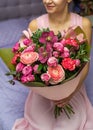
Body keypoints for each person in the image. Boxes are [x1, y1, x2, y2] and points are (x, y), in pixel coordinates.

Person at [12, 0, 93, 130]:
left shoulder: (84, 25)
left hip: (72, 90)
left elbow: (85, 65)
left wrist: (70, 94)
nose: (47, 1)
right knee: (41, 126)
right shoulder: (35, 25)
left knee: (72, 126)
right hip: (43, 93)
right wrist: (49, 92)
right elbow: (34, 65)